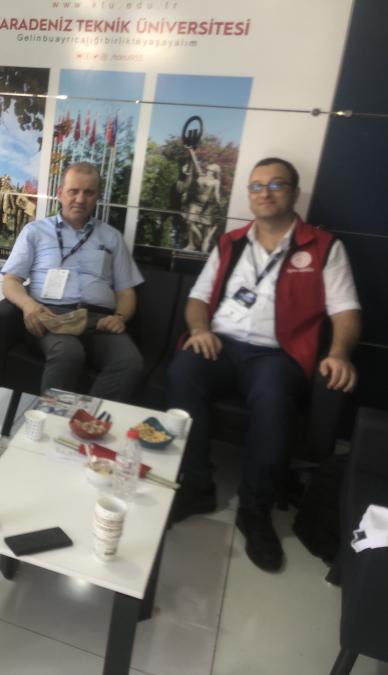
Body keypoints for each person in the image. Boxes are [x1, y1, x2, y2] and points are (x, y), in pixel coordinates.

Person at [168, 157, 362, 572]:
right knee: (183, 371)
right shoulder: (231, 242)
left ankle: (254, 509)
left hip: (277, 354)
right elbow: (198, 299)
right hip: (220, 345)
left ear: (294, 193)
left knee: (274, 400)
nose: (264, 193)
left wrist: (339, 353)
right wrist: (199, 329)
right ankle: (197, 484)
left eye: (276, 184)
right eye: (256, 186)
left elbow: (346, 311)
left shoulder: (323, 247)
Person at [1, 162, 144, 401]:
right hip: (52, 316)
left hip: (99, 321)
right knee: (69, 353)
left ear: (97, 197)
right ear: (60, 193)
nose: (80, 199)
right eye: (73, 191)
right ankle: (54, 419)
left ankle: (85, 419)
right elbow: (11, 281)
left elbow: (126, 292)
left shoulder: (112, 237)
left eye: (89, 192)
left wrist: (119, 317)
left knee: (129, 361)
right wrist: (29, 306)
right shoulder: (35, 231)